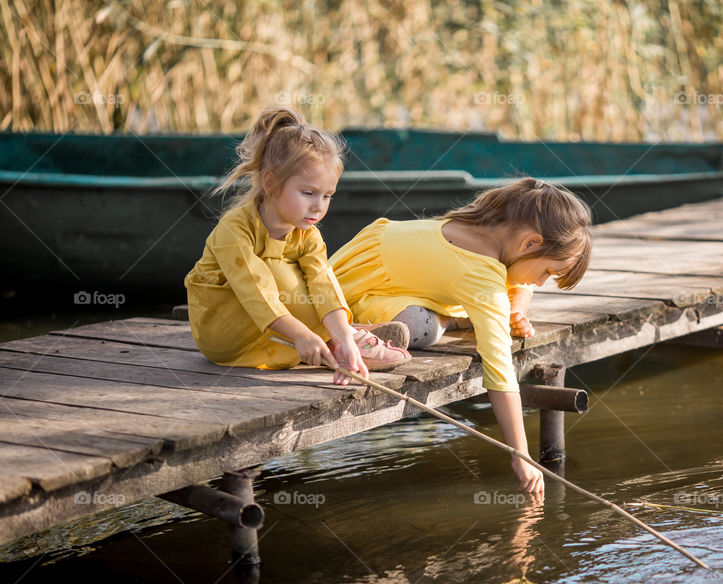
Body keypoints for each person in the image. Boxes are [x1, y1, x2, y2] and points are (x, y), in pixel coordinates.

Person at [330, 178, 593, 493]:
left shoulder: (476, 227)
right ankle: (362, 330)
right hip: (353, 296)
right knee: (422, 328)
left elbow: (519, 282)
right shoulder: (482, 278)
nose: (540, 283)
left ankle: (425, 321)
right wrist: (519, 452)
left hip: (361, 269)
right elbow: (499, 369)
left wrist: (515, 311)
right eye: (548, 273)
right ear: (529, 243)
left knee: (418, 318)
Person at [185, 107, 410, 385]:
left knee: (319, 279)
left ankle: (341, 340)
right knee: (282, 275)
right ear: (270, 182)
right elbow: (255, 290)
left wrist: (340, 334)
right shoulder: (236, 229)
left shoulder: (308, 234)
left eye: (328, 195)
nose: (319, 206)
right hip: (226, 333)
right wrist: (302, 334)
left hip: (274, 335)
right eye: (308, 193)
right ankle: (329, 339)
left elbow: (323, 283)